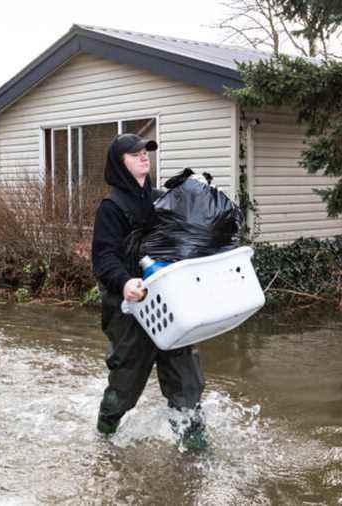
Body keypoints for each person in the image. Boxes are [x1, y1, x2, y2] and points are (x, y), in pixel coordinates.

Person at [91, 133, 206, 448]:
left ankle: (195, 450)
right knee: (124, 386)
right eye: (135, 153)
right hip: (129, 308)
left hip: (170, 305)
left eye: (146, 152)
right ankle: (104, 434)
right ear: (119, 162)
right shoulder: (111, 207)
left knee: (186, 381)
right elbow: (103, 257)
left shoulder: (159, 200)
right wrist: (125, 282)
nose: (144, 156)